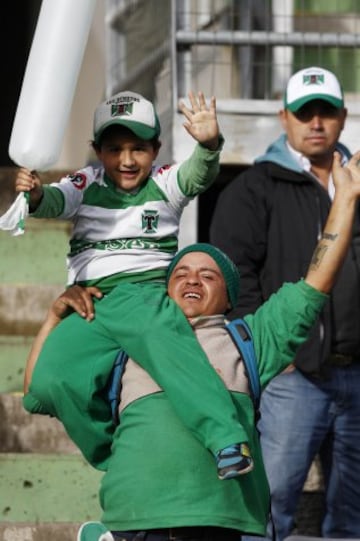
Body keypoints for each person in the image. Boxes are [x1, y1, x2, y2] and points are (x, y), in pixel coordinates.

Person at [23, 149, 360, 540]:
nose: (192, 280)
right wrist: (54, 319)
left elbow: (315, 282)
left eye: (208, 275)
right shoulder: (127, 340)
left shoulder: (252, 339)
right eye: (180, 273)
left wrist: (346, 200)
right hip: (135, 521)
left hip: (216, 524)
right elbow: (38, 390)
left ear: (230, 298)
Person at [19, 89, 254, 479]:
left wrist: (209, 145)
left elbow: (197, 175)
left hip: (145, 295)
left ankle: (227, 439)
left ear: (156, 148)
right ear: (97, 150)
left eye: (138, 148)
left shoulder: (163, 182)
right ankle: (114, 454)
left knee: (177, 360)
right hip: (91, 303)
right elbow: (52, 202)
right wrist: (36, 192)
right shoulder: (85, 182)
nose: (126, 160)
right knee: (45, 387)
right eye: (114, 149)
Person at [210, 66, 360, 539]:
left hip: (357, 374)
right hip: (292, 381)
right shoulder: (253, 189)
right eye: (304, 112)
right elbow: (233, 276)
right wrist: (272, 356)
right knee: (270, 507)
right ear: (284, 117)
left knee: (354, 514)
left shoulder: (356, 183)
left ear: (342, 116)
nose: (315, 122)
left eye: (326, 112)